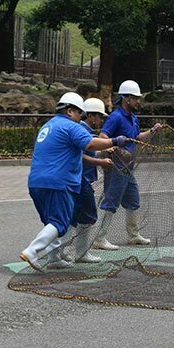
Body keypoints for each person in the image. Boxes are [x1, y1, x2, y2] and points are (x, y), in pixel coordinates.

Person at [20, 92, 129, 271]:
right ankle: (32, 251)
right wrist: (115, 140)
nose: (81, 118)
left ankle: (54, 259)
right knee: (59, 223)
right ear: (70, 111)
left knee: (53, 223)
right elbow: (91, 145)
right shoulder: (71, 126)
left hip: (36, 182)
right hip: (58, 182)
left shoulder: (49, 125)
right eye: (80, 114)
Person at [93, 80, 162, 250]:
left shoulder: (133, 118)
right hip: (116, 167)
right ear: (125, 98)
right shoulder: (116, 117)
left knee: (133, 200)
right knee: (111, 201)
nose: (138, 101)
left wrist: (152, 131)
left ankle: (133, 235)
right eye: (135, 98)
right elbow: (102, 138)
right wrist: (116, 149)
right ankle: (99, 238)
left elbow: (137, 138)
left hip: (128, 168)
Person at [71, 98, 114, 263]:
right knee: (84, 215)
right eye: (99, 117)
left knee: (79, 216)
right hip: (79, 179)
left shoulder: (85, 130)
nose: (101, 121)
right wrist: (101, 161)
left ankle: (73, 252)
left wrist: (104, 151)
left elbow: (91, 152)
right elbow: (80, 156)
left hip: (82, 179)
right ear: (90, 115)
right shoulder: (81, 131)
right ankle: (78, 253)